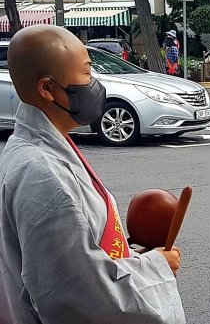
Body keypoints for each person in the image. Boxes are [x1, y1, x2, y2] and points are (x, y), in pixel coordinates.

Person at [0, 25, 185, 323]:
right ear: (47, 89)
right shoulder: (43, 175)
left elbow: (74, 255)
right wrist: (156, 266)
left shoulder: (32, 149)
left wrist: (130, 257)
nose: (95, 84)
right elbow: (77, 294)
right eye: (86, 74)